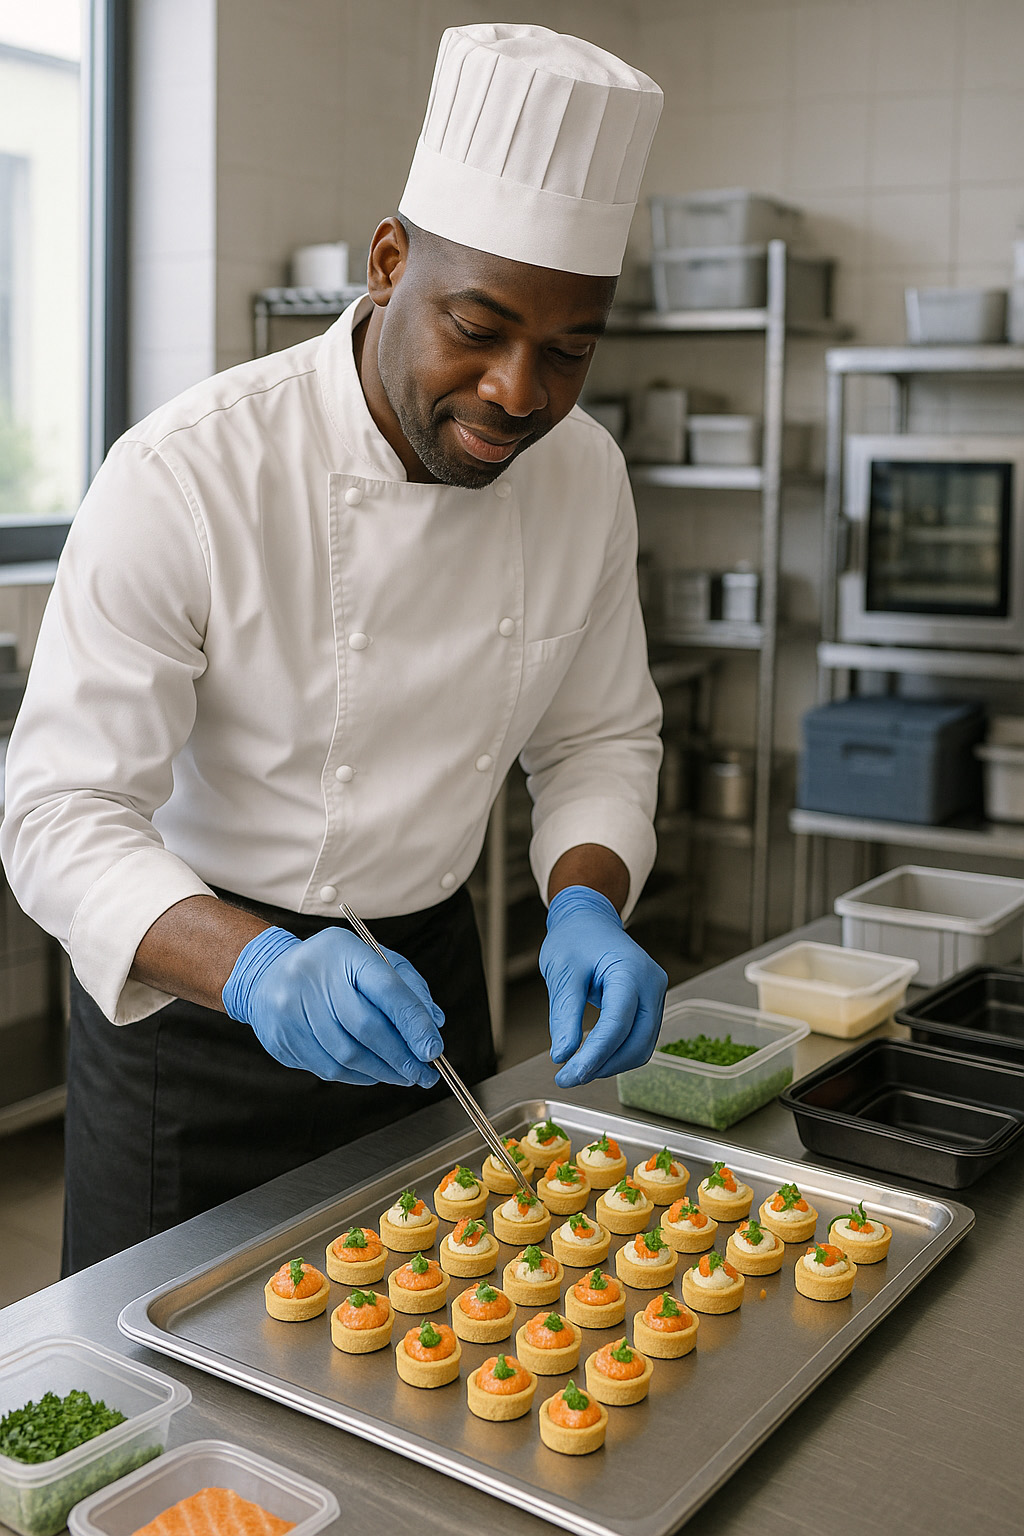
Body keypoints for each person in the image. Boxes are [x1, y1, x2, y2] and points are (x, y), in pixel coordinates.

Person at [1, 22, 668, 1274]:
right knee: (168, 1407)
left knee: (451, 1359)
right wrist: (257, 973)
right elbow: (58, 813)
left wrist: (586, 901)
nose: (519, 392)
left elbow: (599, 737)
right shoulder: (190, 473)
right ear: (386, 261)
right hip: (199, 1008)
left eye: (567, 349)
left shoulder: (583, 477)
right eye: (477, 326)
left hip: (426, 984)